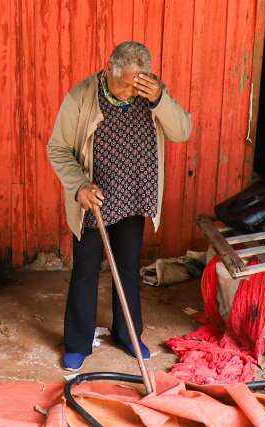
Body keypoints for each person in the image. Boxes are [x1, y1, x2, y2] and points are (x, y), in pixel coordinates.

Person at [48, 41, 192, 371]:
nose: (130, 92)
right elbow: (57, 148)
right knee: (85, 271)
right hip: (93, 200)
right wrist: (79, 186)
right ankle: (78, 342)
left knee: (127, 269)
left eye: (137, 84)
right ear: (108, 68)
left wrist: (158, 99)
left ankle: (128, 334)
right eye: (124, 84)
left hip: (133, 194)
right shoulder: (82, 96)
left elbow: (182, 130)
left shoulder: (151, 92)